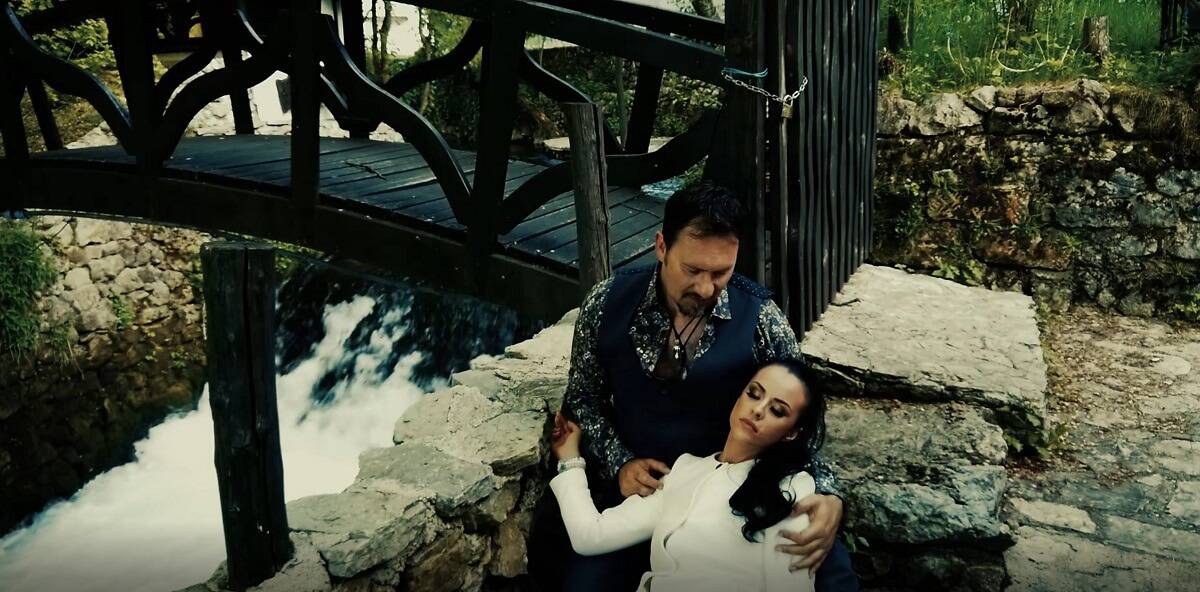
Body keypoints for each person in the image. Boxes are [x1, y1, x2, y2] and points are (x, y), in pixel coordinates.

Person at [558, 182, 857, 591]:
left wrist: (829, 493)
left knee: (828, 572)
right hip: (633, 494)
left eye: (720, 273)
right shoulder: (606, 300)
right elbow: (582, 397)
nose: (705, 288)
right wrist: (619, 463)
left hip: (731, 494)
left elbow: (798, 413)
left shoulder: (763, 319)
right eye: (692, 270)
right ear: (661, 247)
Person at [550, 359, 826, 592]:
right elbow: (591, 535)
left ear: (791, 432)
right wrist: (569, 459)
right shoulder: (684, 470)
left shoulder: (792, 488)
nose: (757, 410)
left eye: (777, 410)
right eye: (754, 394)